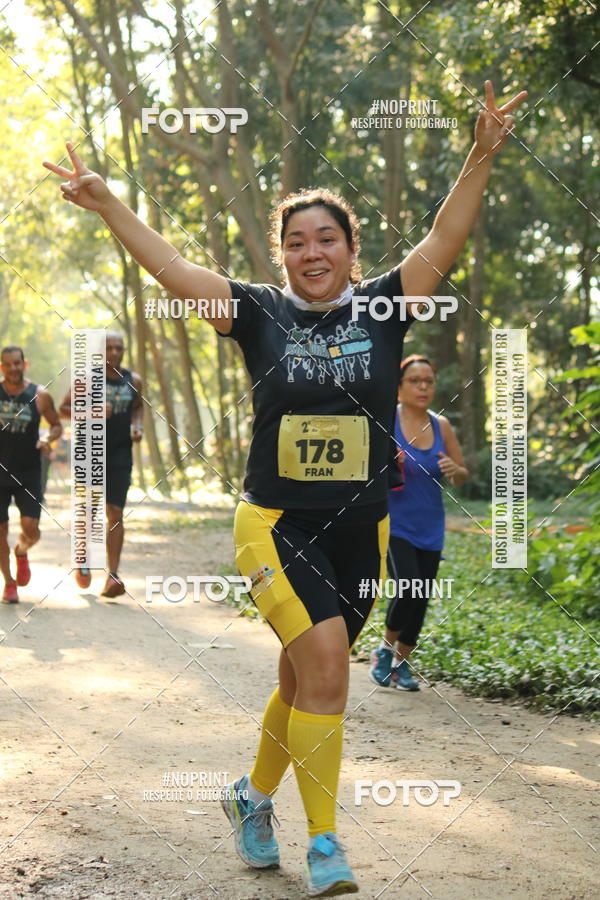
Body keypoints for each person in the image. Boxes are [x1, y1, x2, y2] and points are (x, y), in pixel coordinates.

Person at [43, 79, 526, 897]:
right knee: (330, 665)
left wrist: (480, 154)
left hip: (362, 531)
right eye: (297, 241)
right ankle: (327, 845)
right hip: (273, 524)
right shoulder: (259, 313)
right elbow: (170, 267)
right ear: (282, 253)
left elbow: (448, 232)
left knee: (304, 678)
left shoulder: (384, 308)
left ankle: (250, 797)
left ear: (350, 246)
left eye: (326, 238)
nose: (312, 252)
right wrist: (109, 204)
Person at [370, 355, 469, 692]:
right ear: (399, 387)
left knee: (422, 595)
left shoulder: (440, 425)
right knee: (409, 585)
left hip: (431, 526)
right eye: (415, 380)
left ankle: (403, 665)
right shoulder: (386, 421)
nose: (423, 386)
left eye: (429, 380)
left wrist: (457, 473)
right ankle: (384, 653)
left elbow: (461, 471)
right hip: (394, 523)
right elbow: (362, 468)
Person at [59, 333, 143, 598]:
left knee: (115, 512)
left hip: (120, 454)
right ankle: (83, 560)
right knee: (88, 511)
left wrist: (136, 426)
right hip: (90, 452)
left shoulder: (135, 380)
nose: (115, 352)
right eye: (109, 348)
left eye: (119, 348)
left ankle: (113, 575)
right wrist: (90, 413)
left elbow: (138, 408)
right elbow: (63, 409)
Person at [0, 346, 62, 603]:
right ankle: (9, 582)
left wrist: (48, 438)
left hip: (28, 472)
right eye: (8, 364)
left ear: (24, 364)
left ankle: (22, 551)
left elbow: (57, 425)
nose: (14, 368)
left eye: (18, 363)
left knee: (31, 530)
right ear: (2, 367)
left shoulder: (40, 395)